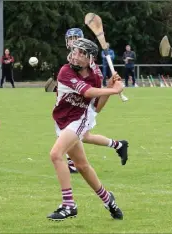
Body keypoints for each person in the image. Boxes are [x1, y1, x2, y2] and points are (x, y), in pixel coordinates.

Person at [47, 38, 124, 221]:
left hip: (78, 120)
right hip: (62, 120)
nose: (76, 55)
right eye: (75, 51)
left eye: (81, 53)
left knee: (56, 154)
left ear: (90, 58)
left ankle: (68, 205)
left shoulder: (95, 74)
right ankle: (109, 200)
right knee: (82, 166)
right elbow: (87, 92)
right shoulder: (65, 71)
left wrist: (110, 88)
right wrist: (113, 90)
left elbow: (96, 106)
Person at [64, 28, 129, 174]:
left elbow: (92, 92)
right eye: (70, 39)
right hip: (78, 101)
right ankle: (119, 145)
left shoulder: (88, 62)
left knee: (70, 132)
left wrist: (110, 87)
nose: (72, 41)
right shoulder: (72, 58)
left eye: (76, 38)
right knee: (84, 136)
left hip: (85, 102)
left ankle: (74, 162)